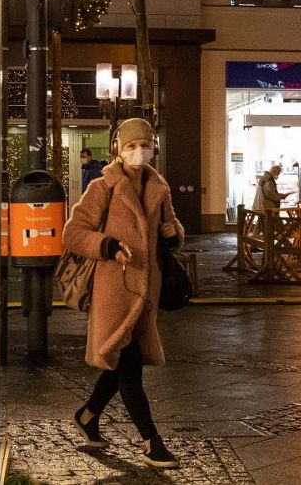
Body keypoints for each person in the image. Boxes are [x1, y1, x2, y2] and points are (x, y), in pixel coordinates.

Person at [64, 117, 183, 470]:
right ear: (117, 149)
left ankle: (88, 415)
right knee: (129, 366)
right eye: (131, 146)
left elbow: (174, 228)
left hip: (147, 290)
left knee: (119, 364)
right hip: (114, 290)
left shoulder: (160, 187)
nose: (138, 151)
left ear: (154, 148)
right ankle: (151, 442)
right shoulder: (103, 187)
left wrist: (172, 232)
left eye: (144, 145)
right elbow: (74, 233)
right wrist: (107, 244)